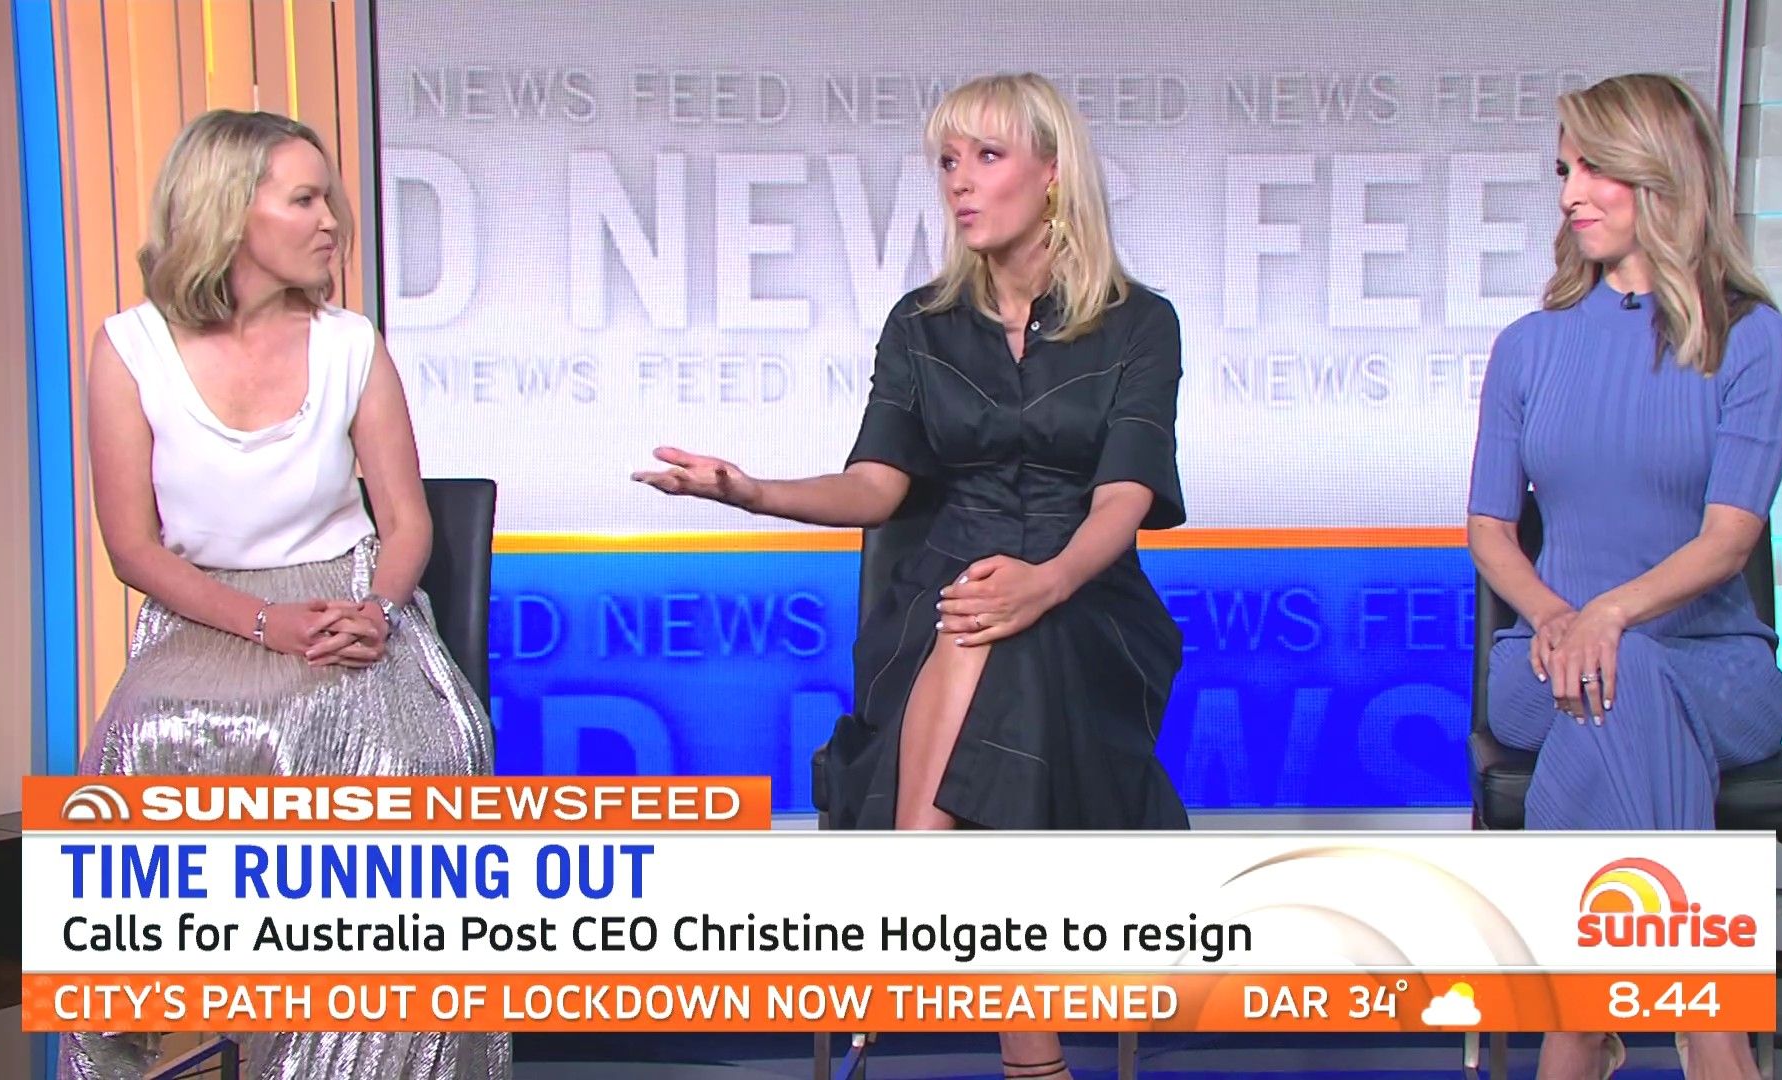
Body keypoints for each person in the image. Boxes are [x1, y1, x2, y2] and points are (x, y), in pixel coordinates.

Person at [635, 72, 1188, 1078]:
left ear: (1053, 173)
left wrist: (1045, 582)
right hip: (931, 611)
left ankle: (909, 892)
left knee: (1008, 633)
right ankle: (1034, 1064)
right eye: (947, 161)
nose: (959, 182)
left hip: (1090, 605)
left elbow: (1123, 500)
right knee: (979, 621)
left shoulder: (1140, 324)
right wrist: (750, 491)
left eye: (987, 156)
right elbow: (876, 486)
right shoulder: (920, 326)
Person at [62, 110, 510, 1079]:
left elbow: (408, 522)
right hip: (205, 610)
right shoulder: (128, 349)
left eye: (329, 199)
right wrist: (266, 625)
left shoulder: (351, 344)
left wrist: (377, 612)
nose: (331, 221)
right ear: (230, 211)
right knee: (144, 746)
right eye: (305, 200)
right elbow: (133, 547)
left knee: (414, 757)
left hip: (351, 596)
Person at [1467, 73, 1782, 1080]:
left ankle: (1576, 1030)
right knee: (1612, 679)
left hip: (1712, 666)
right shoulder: (1530, 346)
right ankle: (1711, 1028)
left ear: (1662, 175)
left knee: (1629, 677)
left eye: (1595, 168)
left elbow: (1728, 542)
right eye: (1564, 169)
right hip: (1546, 659)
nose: (1570, 192)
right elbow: (1491, 533)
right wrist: (1561, 618)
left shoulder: (1754, 340)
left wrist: (1610, 617)